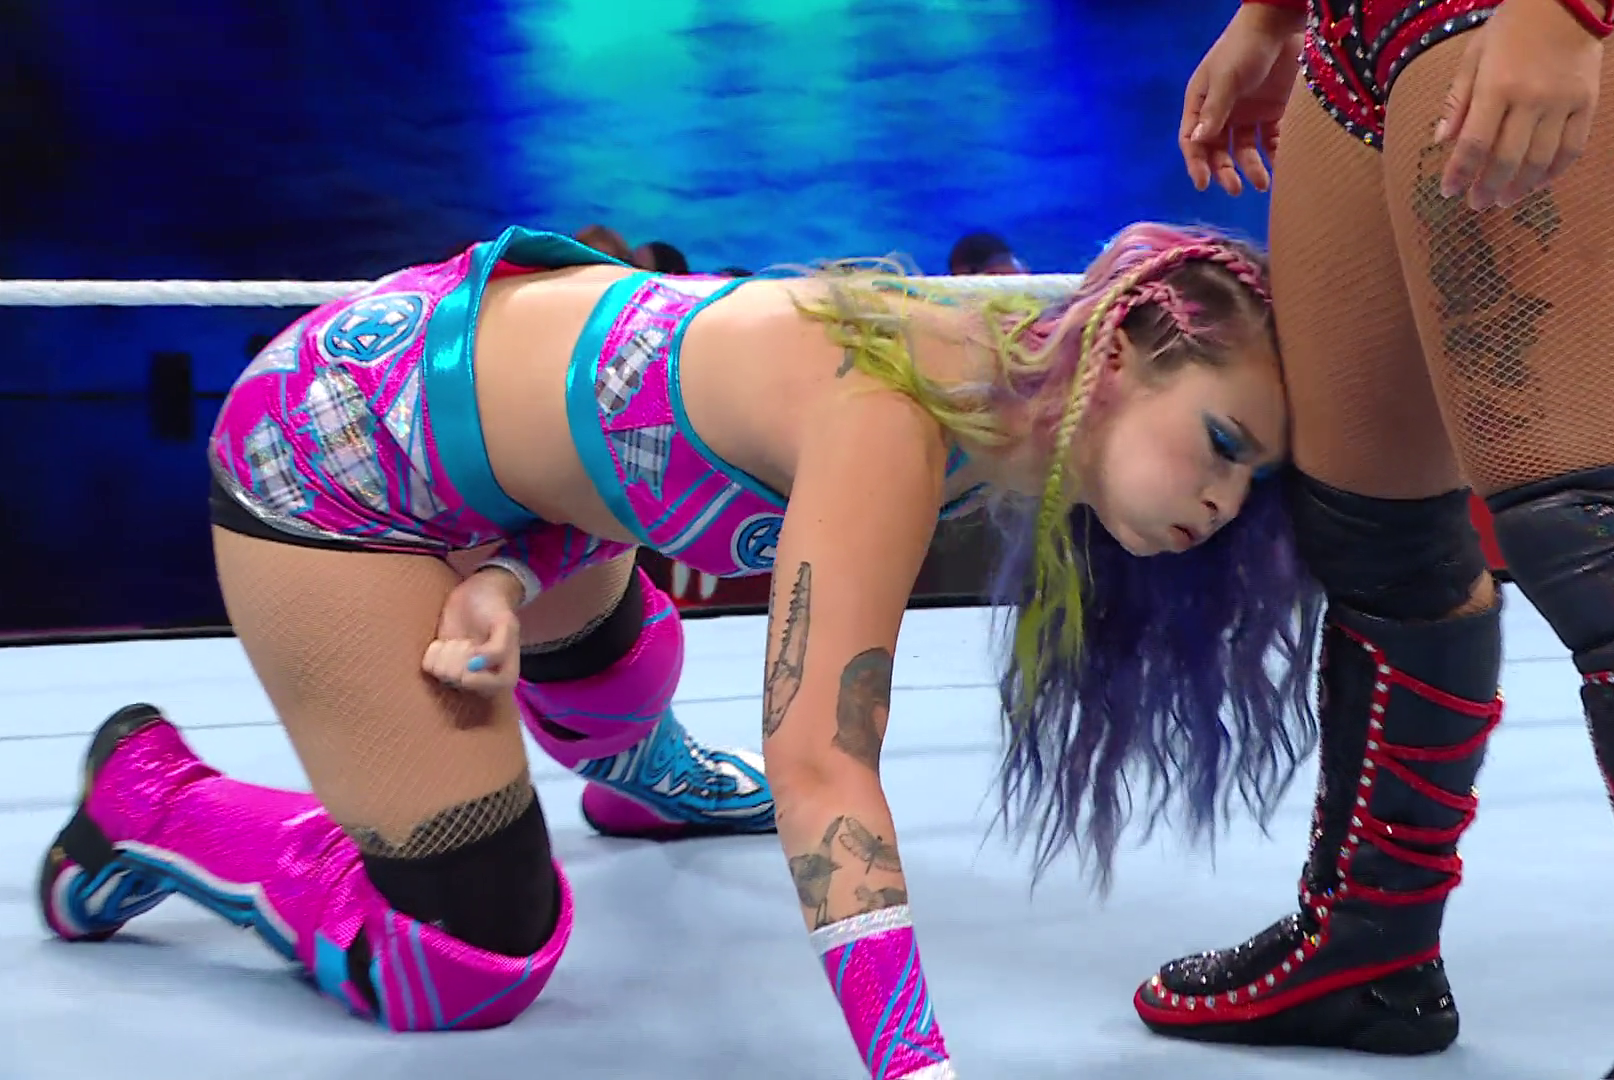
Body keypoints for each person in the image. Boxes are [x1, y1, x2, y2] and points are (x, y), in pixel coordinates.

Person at [38, 222, 1322, 1077]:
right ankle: (150, 799)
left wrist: (508, 570)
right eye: (1223, 443)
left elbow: (603, 450)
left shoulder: (977, 382)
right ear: (1125, 351)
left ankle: (632, 768)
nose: (1225, 503)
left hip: (501, 460)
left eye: (1252, 480)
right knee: (466, 957)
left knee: (623, 663)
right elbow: (819, 762)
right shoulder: (898, 417)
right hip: (330, 456)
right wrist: (914, 1064)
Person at [1135, 2, 1614, 1078]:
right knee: (1371, 530)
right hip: (1353, 33)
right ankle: (1368, 954)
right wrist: (1274, 15)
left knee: (1609, 539)